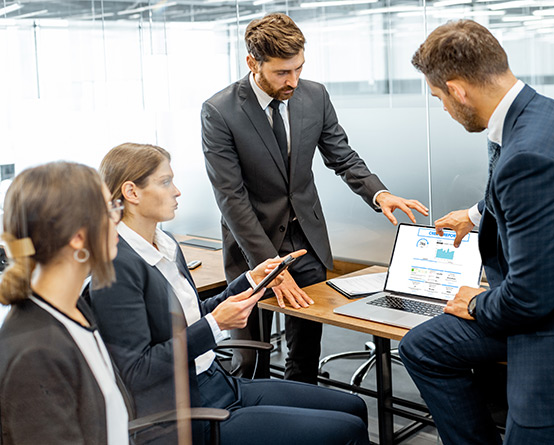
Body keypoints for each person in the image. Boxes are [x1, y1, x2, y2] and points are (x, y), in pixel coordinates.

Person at [90, 143, 371, 445]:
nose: (177, 192)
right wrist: (215, 325)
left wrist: (252, 279)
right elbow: (137, 372)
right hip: (188, 409)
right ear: (132, 192)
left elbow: (194, 313)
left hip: (218, 381)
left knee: (354, 406)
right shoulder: (116, 268)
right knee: (348, 430)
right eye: (165, 182)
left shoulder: (165, 243)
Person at [201, 12, 429, 382]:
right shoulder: (220, 111)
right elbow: (231, 198)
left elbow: (341, 156)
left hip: (306, 241)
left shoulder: (314, 94)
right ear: (252, 63)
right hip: (252, 249)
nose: (293, 81)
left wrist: (379, 193)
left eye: (299, 69)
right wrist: (271, 267)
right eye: (281, 73)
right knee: (250, 361)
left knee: (305, 354)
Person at [398, 19, 554, 444]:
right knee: (422, 345)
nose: (444, 110)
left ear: (459, 90)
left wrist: (477, 303)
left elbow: (530, 298)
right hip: (533, 297)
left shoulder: (526, 156)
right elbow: (530, 199)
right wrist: (475, 213)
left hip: (540, 323)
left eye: (439, 98)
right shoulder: (539, 115)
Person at [0, 162, 128, 444]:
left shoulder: (74, 308)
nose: (118, 217)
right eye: (109, 210)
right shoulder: (34, 354)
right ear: (78, 237)